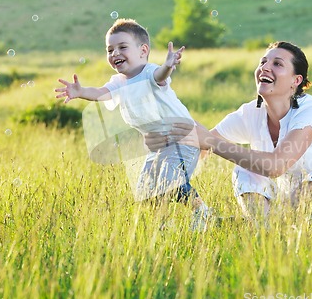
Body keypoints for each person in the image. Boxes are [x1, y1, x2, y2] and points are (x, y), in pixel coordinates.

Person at [145, 41, 312, 221]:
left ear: (296, 81)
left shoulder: (310, 109)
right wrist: (167, 144)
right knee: (245, 168)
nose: (265, 67)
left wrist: (210, 142)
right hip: (291, 220)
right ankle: (266, 230)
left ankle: (287, 223)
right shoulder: (251, 112)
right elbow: (202, 144)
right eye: (263, 62)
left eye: (277, 64)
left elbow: (277, 166)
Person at [54, 18, 209, 229]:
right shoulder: (118, 82)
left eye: (122, 47)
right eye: (110, 50)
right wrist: (80, 92)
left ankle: (201, 210)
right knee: (146, 191)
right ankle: (164, 226)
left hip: (182, 138)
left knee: (170, 183)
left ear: (143, 51)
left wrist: (168, 65)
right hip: (158, 145)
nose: (114, 53)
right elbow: (101, 93)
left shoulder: (150, 72)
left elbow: (160, 76)